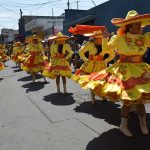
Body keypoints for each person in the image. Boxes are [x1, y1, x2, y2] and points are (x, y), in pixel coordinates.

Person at [80, 10, 150, 137]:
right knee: (128, 100)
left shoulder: (144, 37)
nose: (138, 26)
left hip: (141, 69)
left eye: (139, 24)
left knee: (140, 99)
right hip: (125, 71)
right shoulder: (120, 38)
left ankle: (143, 124)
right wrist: (105, 39)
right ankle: (123, 125)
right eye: (135, 24)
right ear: (129, 25)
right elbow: (107, 49)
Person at [72, 30, 115, 104]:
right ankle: (93, 99)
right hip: (91, 65)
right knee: (92, 81)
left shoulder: (104, 44)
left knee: (101, 81)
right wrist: (85, 59)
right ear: (94, 38)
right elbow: (80, 51)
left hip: (98, 65)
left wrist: (106, 61)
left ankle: (101, 96)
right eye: (97, 38)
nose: (98, 40)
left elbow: (112, 54)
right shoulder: (91, 44)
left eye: (100, 38)